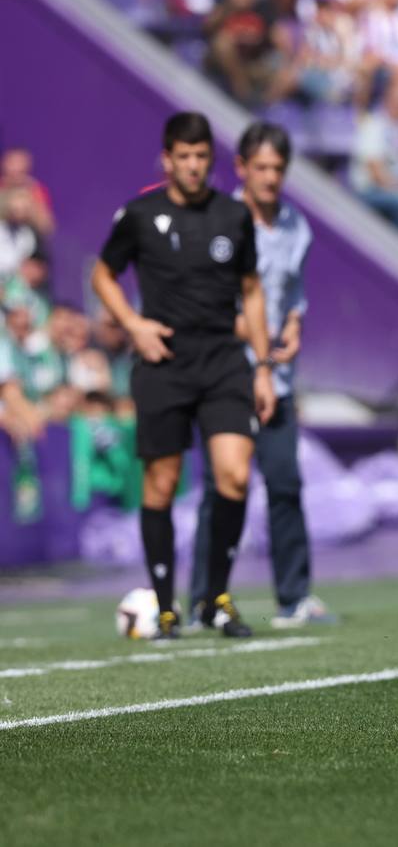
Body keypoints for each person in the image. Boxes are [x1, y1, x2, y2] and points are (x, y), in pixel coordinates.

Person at [91, 111, 277, 640]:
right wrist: (132, 324)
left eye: (202, 157)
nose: (194, 166)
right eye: (184, 157)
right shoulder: (140, 214)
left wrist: (261, 367)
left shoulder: (233, 216)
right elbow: (102, 273)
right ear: (167, 159)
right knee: (162, 483)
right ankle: (165, 603)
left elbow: (252, 291)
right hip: (164, 362)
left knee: (234, 475)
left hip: (222, 359)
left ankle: (215, 598)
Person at [190, 122, 334, 630]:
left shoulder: (297, 227)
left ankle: (293, 598)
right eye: (262, 168)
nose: (271, 177)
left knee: (285, 484)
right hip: (230, 374)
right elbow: (211, 304)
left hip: (278, 378)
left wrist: (292, 327)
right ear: (242, 169)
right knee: (221, 490)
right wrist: (261, 362)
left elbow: (292, 295)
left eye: (278, 168)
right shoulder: (217, 222)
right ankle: (205, 600)